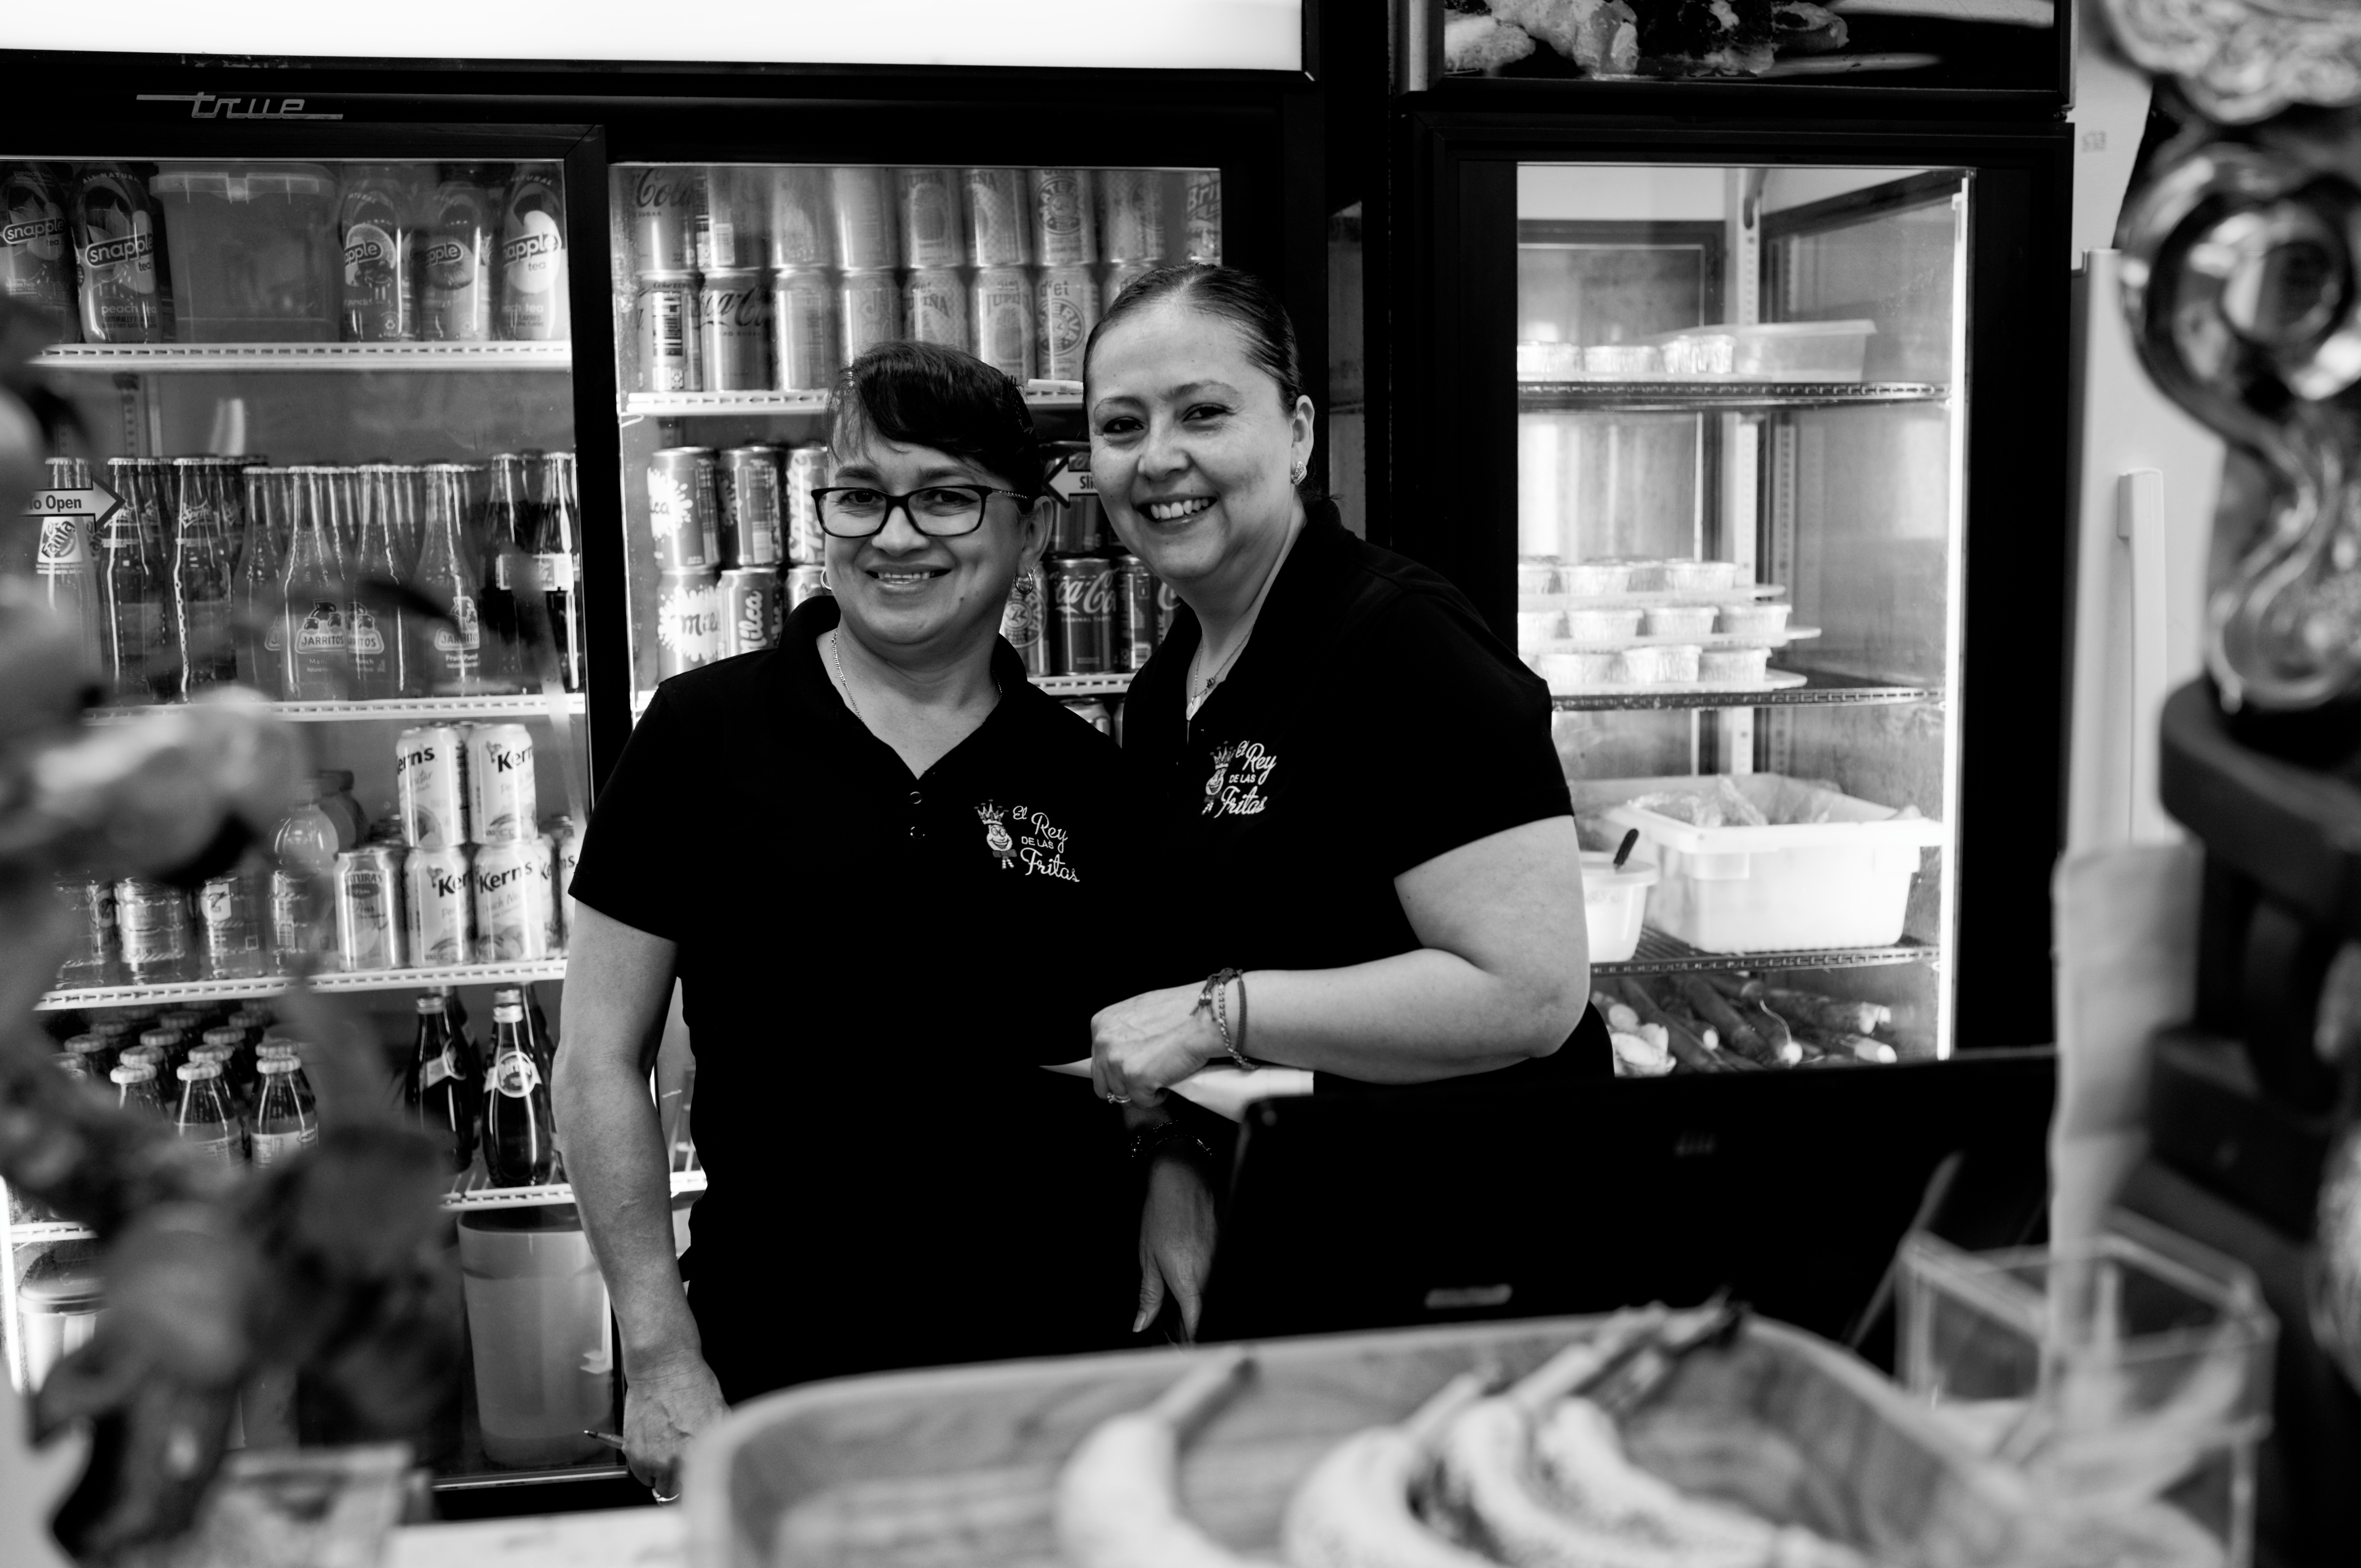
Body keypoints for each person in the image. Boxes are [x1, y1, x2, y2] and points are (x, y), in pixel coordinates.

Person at [556, 341, 1164, 1500]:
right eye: (860, 495)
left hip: (1051, 1373)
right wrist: (664, 1351)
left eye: (945, 497)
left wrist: (1174, 1164)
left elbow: (1150, 1054)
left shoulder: (1090, 779)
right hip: (777, 1365)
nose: (895, 535)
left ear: (1032, 530)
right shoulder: (699, 736)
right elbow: (595, 1061)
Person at [1085, 266, 1610, 1307]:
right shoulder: (1164, 690)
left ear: (1298, 435)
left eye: (1203, 412)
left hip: (1468, 1245)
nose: (1158, 457)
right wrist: (1173, 1152)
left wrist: (1217, 1015)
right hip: (1297, 1223)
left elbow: (1532, 993)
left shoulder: (1399, 641)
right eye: (1121, 425)